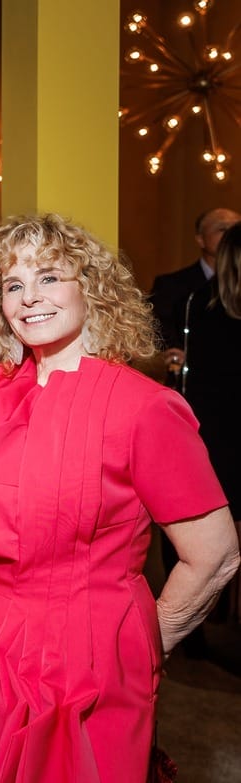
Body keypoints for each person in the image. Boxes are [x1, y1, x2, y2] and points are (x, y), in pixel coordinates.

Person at [0, 213, 240, 782]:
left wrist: (140, 643)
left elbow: (215, 554)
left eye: (48, 278)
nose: (29, 298)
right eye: (13, 285)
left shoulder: (144, 408)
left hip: (91, 665)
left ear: (91, 287)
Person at [182, 222, 241, 619]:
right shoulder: (202, 301)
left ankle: (212, 621)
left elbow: (196, 380)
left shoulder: (201, 302)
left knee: (217, 536)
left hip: (214, 432)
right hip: (222, 431)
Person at [149, 207, 241, 376]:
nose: (231, 236)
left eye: (236, 229)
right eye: (222, 229)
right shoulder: (172, 285)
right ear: (200, 239)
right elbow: (159, 330)